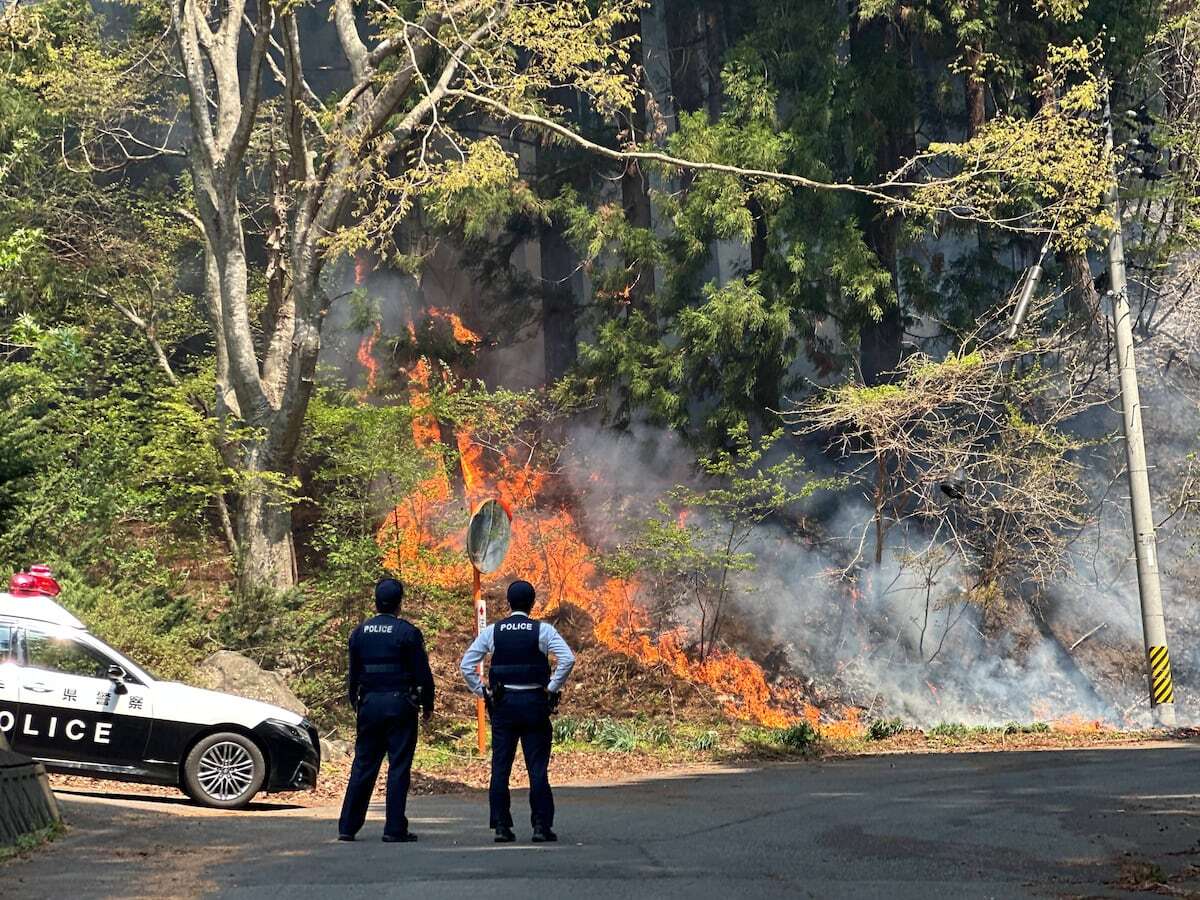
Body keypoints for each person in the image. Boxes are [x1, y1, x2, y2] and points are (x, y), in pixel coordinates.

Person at [459, 579, 575, 843]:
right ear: (532, 603)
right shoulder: (542, 631)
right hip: (535, 703)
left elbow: (467, 664)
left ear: (508, 603)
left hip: (504, 706)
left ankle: (501, 826)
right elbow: (568, 658)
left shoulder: (493, 632)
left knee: (500, 767)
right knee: (537, 768)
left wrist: (483, 692)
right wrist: (552, 687)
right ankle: (541, 827)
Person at [338, 577, 434, 843]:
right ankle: (394, 828)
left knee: (363, 765)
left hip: (369, 704)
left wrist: (355, 702)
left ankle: (348, 826)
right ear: (399, 603)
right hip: (400, 705)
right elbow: (422, 673)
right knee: (398, 766)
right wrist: (428, 704)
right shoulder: (407, 632)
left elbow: (353, 674)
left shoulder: (359, 632)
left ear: (376, 601)